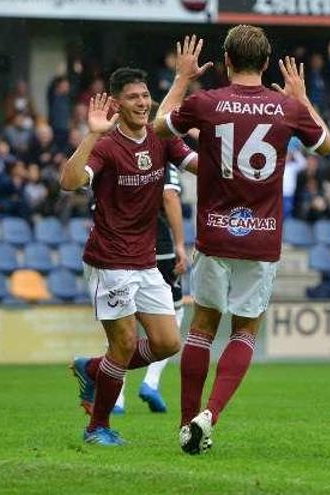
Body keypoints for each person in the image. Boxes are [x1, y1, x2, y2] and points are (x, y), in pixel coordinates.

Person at [153, 29, 330, 455]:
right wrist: (302, 97)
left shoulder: (208, 102)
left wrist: (181, 79)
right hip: (261, 236)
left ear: (227, 60)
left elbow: (161, 128)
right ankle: (209, 416)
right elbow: (326, 147)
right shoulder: (287, 108)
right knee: (246, 328)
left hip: (215, 233)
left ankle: (186, 422)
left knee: (203, 327)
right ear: (267, 62)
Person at [60, 67, 199, 446]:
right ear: (117, 104)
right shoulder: (105, 145)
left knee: (168, 342)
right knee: (122, 344)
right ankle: (97, 428)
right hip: (109, 260)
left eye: (145, 96)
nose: (142, 102)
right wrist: (91, 132)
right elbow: (69, 182)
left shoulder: (160, 138)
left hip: (145, 259)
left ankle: (93, 368)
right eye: (134, 97)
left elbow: (198, 166)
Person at [113, 163, 189, 414]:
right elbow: (169, 195)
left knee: (123, 322)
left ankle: (117, 398)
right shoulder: (159, 156)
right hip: (157, 245)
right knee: (174, 313)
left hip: (121, 246)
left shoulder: (114, 154)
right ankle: (151, 382)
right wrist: (180, 244)